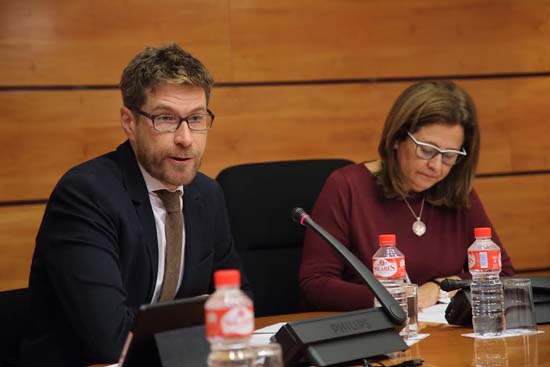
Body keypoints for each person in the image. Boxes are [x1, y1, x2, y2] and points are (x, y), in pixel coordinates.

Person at [21, 44, 249, 366]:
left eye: (196, 118)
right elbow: (110, 340)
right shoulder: (86, 195)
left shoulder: (207, 194)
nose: (186, 138)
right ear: (129, 122)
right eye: (166, 119)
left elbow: (239, 303)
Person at [299, 80, 514, 312]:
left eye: (450, 155)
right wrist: (397, 298)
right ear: (397, 138)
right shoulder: (347, 186)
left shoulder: (458, 193)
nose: (437, 166)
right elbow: (315, 284)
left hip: (445, 335)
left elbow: (502, 273)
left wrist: (440, 286)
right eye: (427, 150)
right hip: (374, 333)